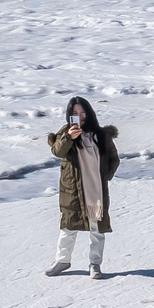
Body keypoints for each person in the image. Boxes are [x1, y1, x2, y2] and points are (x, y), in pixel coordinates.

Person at [46, 95, 120, 279]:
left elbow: (114, 158)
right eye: (74, 113)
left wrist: (104, 177)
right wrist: (69, 138)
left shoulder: (101, 135)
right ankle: (62, 261)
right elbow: (57, 151)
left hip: (95, 189)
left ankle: (95, 264)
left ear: (89, 113)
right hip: (73, 191)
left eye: (82, 112)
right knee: (68, 227)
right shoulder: (65, 132)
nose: (79, 116)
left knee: (97, 229)